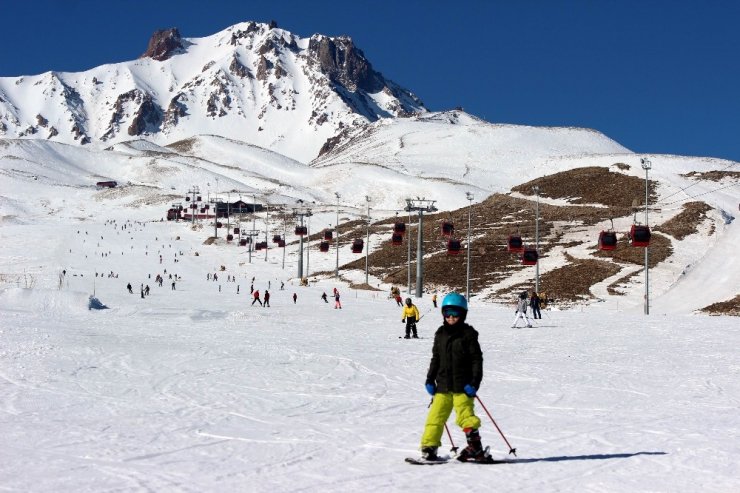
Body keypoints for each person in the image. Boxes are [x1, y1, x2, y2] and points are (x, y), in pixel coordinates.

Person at [419, 293, 491, 463]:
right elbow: (435, 359)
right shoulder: (440, 334)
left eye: (455, 313)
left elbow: (476, 360)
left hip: (462, 386)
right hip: (442, 386)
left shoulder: (468, 334)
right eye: (447, 313)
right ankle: (429, 448)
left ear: (463, 314)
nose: (451, 317)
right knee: (435, 417)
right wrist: (430, 380)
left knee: (465, 417)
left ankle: (475, 447)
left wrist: (474, 383)